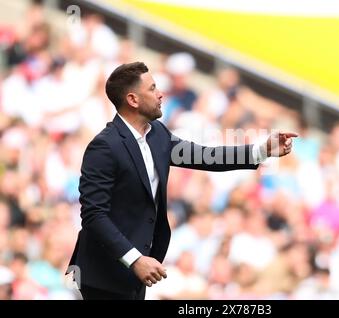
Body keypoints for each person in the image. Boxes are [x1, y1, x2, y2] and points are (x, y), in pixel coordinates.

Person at [67, 62, 298, 300]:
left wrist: (262, 150)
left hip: (135, 273)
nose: (160, 94)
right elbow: (94, 215)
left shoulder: (157, 134)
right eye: (152, 88)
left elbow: (207, 156)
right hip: (105, 274)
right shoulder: (105, 146)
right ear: (133, 100)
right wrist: (134, 259)